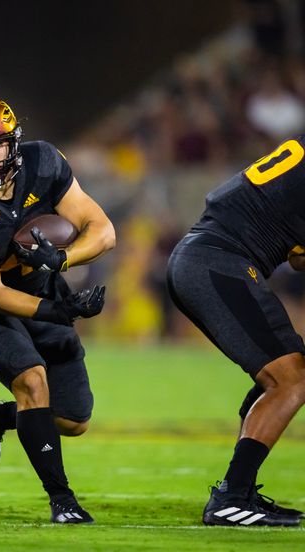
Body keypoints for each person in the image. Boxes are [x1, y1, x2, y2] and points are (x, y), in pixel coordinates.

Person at [0, 92, 114, 524]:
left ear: (13, 141)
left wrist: (63, 261)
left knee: (72, 419)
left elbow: (102, 230)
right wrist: (57, 311)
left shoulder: (44, 162)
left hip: (45, 292)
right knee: (32, 381)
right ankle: (62, 500)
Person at [167, 136, 305, 527]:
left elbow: (296, 255)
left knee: (282, 375)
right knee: (291, 379)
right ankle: (231, 496)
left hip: (207, 258)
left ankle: (241, 492)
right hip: (218, 264)